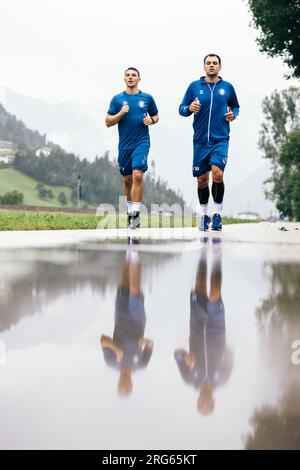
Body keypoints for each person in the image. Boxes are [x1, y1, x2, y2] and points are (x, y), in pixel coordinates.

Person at [179, 54, 240, 231]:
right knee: (202, 180)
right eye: (208, 63)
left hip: (220, 139)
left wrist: (233, 115)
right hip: (199, 141)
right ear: (204, 66)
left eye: (215, 63)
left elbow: (235, 106)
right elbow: (182, 109)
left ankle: (217, 215)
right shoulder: (194, 87)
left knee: (217, 174)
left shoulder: (227, 87)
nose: (211, 65)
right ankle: (204, 215)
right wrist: (189, 108)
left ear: (220, 67)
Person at [174, 238, 233, 415]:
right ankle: (216, 255)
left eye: (202, 403)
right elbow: (230, 356)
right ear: (213, 401)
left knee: (200, 285)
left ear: (198, 400)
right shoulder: (222, 379)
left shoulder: (189, 379)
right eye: (208, 404)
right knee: (215, 291)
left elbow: (176, 354)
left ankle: (202, 255)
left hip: (197, 324)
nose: (205, 400)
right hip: (217, 327)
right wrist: (226, 352)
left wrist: (186, 358)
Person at [106, 68, 159, 229]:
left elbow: (156, 116)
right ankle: (129, 210)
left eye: (133, 75)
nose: (130, 77)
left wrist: (152, 120)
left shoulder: (147, 98)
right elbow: (108, 122)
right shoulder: (117, 99)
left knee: (137, 176)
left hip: (141, 142)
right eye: (128, 75)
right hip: (124, 145)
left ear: (139, 79)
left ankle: (135, 215)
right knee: (127, 179)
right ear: (124, 79)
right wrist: (121, 113)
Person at [100, 241, 154, 397]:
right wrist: (146, 342)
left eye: (121, 386)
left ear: (118, 383)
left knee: (124, 281)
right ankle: (135, 249)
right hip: (138, 320)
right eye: (126, 386)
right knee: (135, 288)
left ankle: (130, 250)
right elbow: (151, 345)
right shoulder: (141, 365)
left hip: (121, 316)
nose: (124, 383)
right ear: (131, 384)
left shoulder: (111, 363)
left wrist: (116, 349)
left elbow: (103, 340)